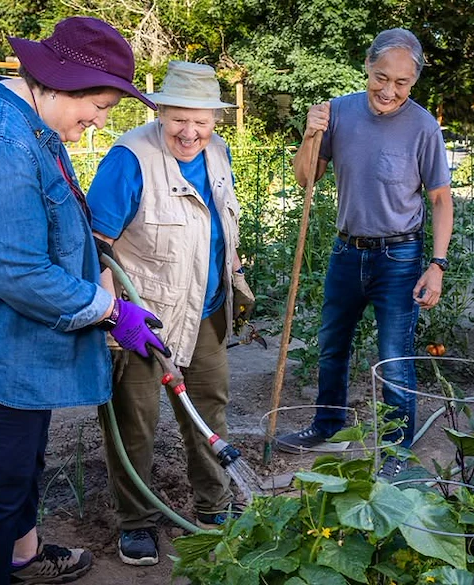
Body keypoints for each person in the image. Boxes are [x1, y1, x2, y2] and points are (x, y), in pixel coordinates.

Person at [0, 16, 168, 585]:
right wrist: (110, 311)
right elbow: (18, 272)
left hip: (7, 339)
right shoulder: (0, 142)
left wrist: (99, 282)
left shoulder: (29, 123)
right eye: (101, 105)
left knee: (19, 462)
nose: (98, 122)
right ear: (61, 82)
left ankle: (22, 556)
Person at [87, 60, 256, 566]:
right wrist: (116, 315)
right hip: (143, 318)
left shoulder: (218, 152)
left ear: (215, 120)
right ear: (160, 111)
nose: (190, 132)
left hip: (205, 308)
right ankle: (135, 522)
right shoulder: (129, 158)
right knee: (135, 422)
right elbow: (96, 246)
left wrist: (234, 270)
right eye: (179, 118)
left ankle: (213, 507)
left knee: (209, 407)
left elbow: (217, 222)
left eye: (201, 120)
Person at [277, 28, 453, 480]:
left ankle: (397, 450)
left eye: (401, 83)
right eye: (381, 77)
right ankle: (327, 425)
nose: (389, 90)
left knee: (394, 356)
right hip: (346, 251)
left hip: (399, 257)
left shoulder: (423, 127)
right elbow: (305, 178)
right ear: (368, 67)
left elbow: (440, 200)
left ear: (412, 84)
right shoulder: (338, 112)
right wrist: (310, 134)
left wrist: (437, 265)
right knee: (331, 345)